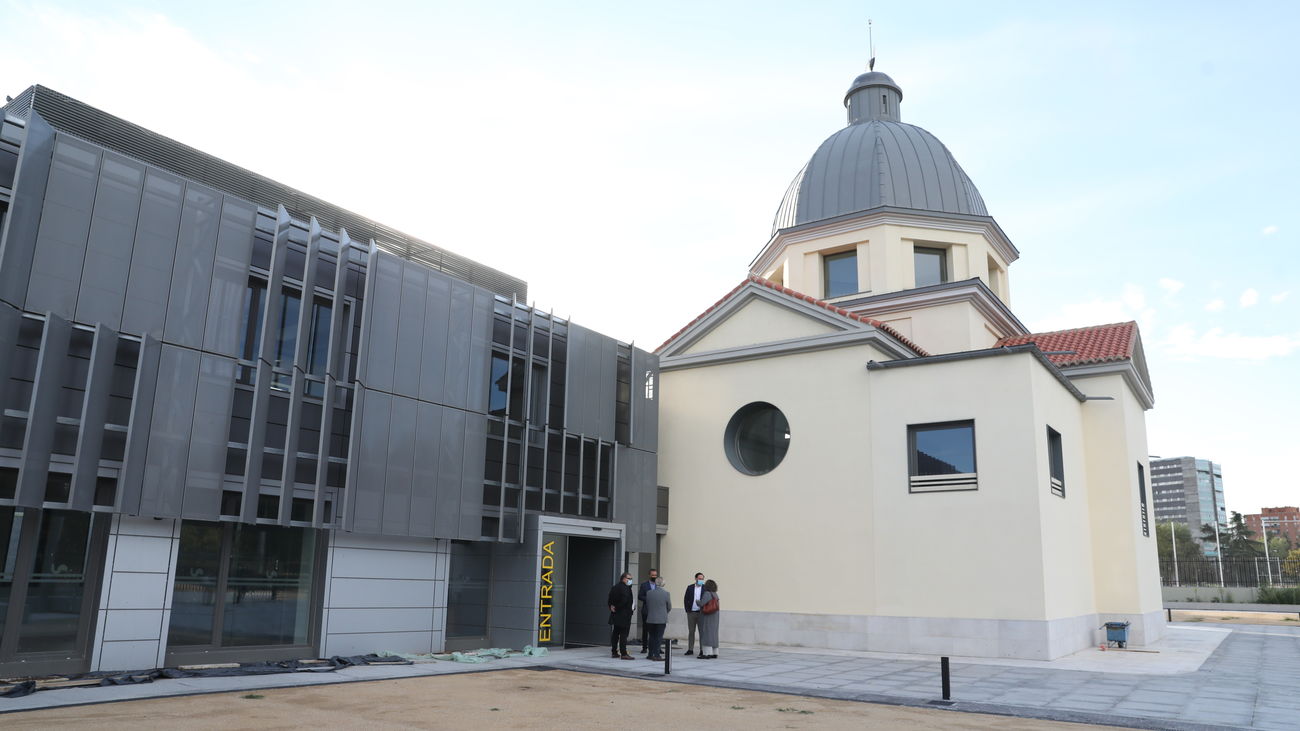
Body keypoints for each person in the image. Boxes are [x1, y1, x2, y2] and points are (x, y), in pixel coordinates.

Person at [643, 576, 672, 660]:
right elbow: (669, 607)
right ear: (663, 584)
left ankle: (650, 654)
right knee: (659, 637)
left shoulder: (649, 593)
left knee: (651, 636)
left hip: (651, 618)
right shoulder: (666, 593)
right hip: (661, 618)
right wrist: (664, 612)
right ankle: (657, 655)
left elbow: (648, 605)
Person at [607, 572, 635, 660]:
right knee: (623, 634)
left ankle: (614, 652)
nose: (630, 580)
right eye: (629, 578)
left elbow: (609, 599)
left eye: (631, 579)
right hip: (624, 614)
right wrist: (618, 607)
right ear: (623, 578)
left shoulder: (615, 587)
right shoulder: (626, 588)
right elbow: (624, 600)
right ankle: (624, 653)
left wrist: (611, 606)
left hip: (616, 614)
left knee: (615, 633)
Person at [682, 572, 706, 655]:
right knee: (691, 631)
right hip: (691, 612)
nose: (701, 580)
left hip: (701, 613)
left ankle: (702, 650)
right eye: (699, 578)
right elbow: (686, 599)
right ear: (696, 578)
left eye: (702, 579)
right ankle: (690, 649)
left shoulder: (705, 588)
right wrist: (687, 610)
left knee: (701, 632)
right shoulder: (690, 587)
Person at [697, 579, 720, 659]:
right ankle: (715, 652)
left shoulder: (707, 593)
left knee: (706, 634)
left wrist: (697, 601)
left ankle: (706, 654)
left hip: (707, 616)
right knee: (714, 634)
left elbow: (702, 603)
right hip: (715, 616)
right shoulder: (715, 594)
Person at [637, 567, 658, 653]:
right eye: (653, 575)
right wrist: (649, 598)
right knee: (645, 629)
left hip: (657, 611)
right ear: (649, 575)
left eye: (655, 575)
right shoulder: (644, 585)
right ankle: (644, 647)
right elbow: (640, 596)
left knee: (656, 630)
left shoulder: (658, 584)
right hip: (647, 610)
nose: (654, 576)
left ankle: (657, 647)